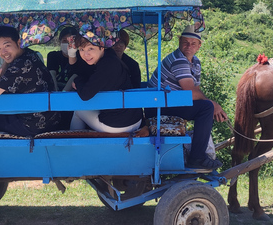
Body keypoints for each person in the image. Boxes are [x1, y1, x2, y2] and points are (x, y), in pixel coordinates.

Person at [148, 25, 227, 170]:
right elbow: (190, 91)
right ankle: (197, 157)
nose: (188, 46)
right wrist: (213, 104)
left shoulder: (195, 62)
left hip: (170, 103)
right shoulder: (179, 60)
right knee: (206, 108)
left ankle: (197, 152)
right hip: (157, 107)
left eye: (193, 43)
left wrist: (210, 103)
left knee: (206, 107)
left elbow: (195, 90)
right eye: (185, 42)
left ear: (199, 46)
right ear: (179, 41)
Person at [0, 25, 62, 136]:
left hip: (35, 125)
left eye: (7, 46)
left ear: (18, 42)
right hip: (51, 119)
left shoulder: (19, 66)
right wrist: (6, 61)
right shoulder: (30, 54)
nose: (3, 52)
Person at [69, 36, 144, 133]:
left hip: (120, 125)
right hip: (135, 119)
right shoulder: (109, 56)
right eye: (81, 49)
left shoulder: (106, 65)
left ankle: (73, 144)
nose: (86, 54)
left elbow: (85, 94)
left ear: (102, 47)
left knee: (78, 111)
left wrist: (77, 82)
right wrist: (71, 54)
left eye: (91, 48)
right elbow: (82, 71)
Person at [46, 26, 87, 90]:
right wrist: (55, 91)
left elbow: (76, 75)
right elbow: (52, 74)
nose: (68, 44)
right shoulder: (53, 55)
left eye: (71, 41)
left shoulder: (82, 56)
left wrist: (64, 93)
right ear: (60, 41)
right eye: (64, 41)